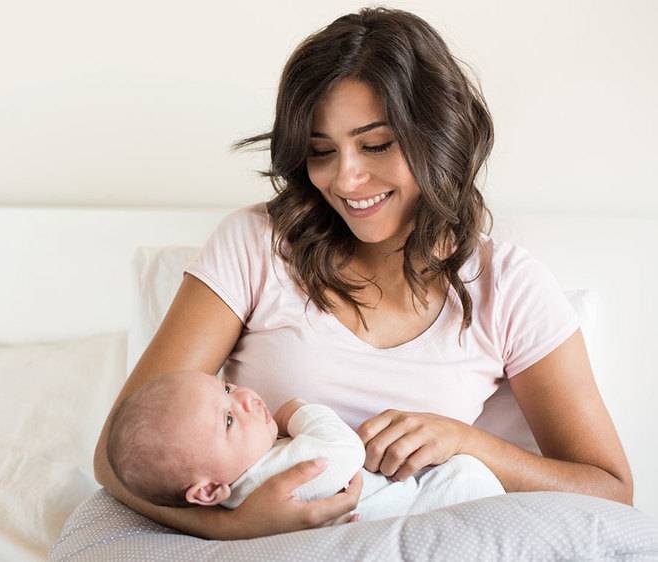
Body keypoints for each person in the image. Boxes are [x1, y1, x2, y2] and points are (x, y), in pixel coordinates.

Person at [93, 7, 633, 540]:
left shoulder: (508, 288)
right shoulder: (255, 246)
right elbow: (115, 461)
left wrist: (466, 443)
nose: (346, 179)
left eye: (375, 144)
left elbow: (610, 490)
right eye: (320, 151)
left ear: (438, 135)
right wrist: (234, 527)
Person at [106, 370, 505, 522]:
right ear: (208, 490)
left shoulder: (240, 492)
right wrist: (298, 412)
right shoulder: (271, 477)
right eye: (228, 420)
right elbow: (343, 452)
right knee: (467, 476)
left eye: (226, 387)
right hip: (445, 501)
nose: (245, 397)